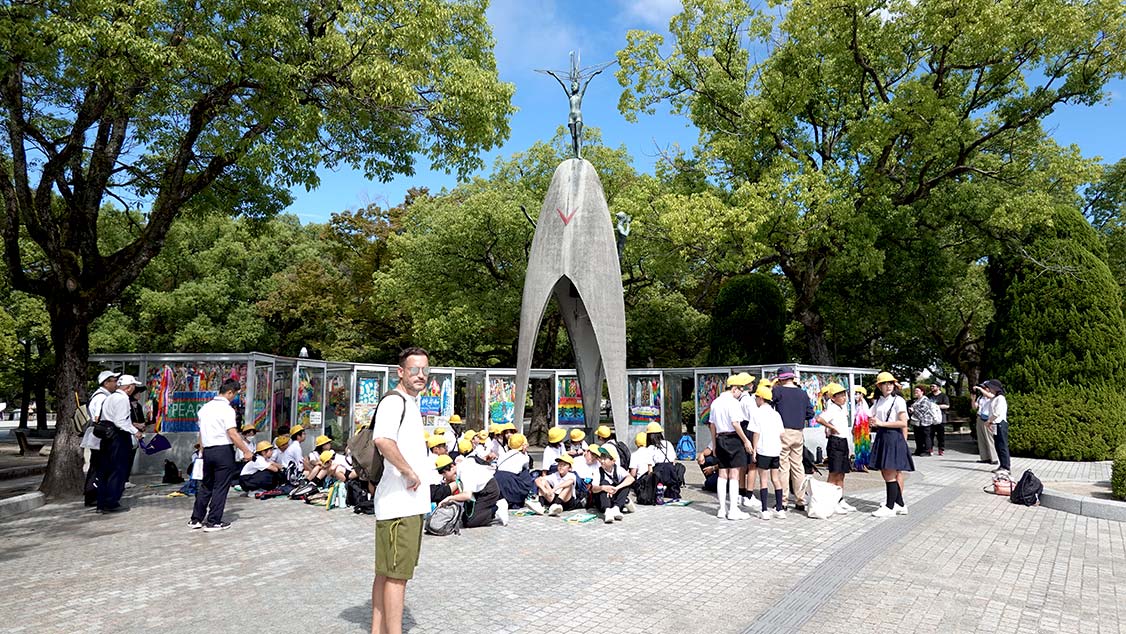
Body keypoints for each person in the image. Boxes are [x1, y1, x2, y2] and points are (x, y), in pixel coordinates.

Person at [371, 347, 433, 634]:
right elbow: (383, 440)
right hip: (400, 503)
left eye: (424, 370)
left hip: (403, 503)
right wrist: (408, 471)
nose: (420, 375)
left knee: (386, 572)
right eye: (414, 370)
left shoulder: (410, 402)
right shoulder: (395, 402)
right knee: (397, 576)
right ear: (400, 372)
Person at [189, 379, 254, 531]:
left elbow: (201, 433)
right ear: (230, 392)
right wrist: (246, 451)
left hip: (207, 450)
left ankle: (196, 519)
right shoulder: (227, 410)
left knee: (206, 485)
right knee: (221, 486)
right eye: (235, 394)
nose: (235, 397)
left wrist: (201, 450)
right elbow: (232, 433)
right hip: (223, 450)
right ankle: (213, 521)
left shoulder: (204, 408)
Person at [708, 374, 755, 520]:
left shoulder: (715, 402)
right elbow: (736, 423)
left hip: (720, 438)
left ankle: (722, 509)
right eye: (740, 389)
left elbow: (712, 425)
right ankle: (733, 510)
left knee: (722, 474)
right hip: (733, 439)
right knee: (734, 474)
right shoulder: (733, 403)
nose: (741, 392)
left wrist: (714, 444)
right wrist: (746, 440)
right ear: (734, 389)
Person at [95, 374, 145, 513]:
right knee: (118, 469)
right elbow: (121, 421)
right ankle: (111, 502)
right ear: (129, 387)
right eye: (134, 386)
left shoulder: (110, 397)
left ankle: (101, 502)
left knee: (105, 470)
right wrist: (135, 431)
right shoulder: (123, 399)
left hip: (106, 435)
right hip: (118, 436)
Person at [869, 372, 913, 518]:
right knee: (885, 471)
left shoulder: (898, 400)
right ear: (879, 386)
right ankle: (900, 504)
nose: (888, 386)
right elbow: (870, 416)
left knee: (890, 472)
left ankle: (890, 506)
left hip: (893, 436)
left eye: (890, 383)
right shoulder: (878, 401)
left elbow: (903, 423)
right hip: (882, 436)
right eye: (884, 384)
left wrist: (882, 423)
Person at [772, 366, 813, 510]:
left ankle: (783, 500)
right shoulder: (802, 393)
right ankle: (800, 500)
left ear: (780, 379)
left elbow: (769, 406)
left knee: (783, 466)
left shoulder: (778, 391)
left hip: (783, 431)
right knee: (797, 465)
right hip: (798, 432)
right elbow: (810, 413)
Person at [434, 452, 509, 528]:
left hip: (488, 490)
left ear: (452, 466)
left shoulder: (465, 472)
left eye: (444, 473)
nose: (444, 477)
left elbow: (467, 495)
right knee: (465, 518)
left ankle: (496, 510)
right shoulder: (461, 467)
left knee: (471, 522)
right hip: (478, 490)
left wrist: (449, 498)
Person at [815, 383, 855, 513]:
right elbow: (819, 419)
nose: (844, 397)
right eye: (840, 395)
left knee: (842, 472)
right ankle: (830, 501)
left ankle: (840, 499)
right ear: (833, 398)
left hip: (843, 441)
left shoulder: (842, 408)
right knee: (834, 473)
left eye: (844, 394)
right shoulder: (831, 408)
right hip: (835, 442)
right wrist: (831, 428)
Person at [82, 370, 118, 507]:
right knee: (99, 467)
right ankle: (93, 494)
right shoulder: (102, 397)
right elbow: (98, 418)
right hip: (100, 438)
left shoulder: (102, 395)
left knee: (97, 466)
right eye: (113, 381)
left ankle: (93, 494)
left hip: (98, 437)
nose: (116, 383)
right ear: (106, 382)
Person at [750, 385, 786, 519]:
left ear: (761, 398)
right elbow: (782, 434)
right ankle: (780, 508)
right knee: (776, 479)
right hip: (775, 450)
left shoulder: (757, 413)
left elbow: (756, 433)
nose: (755, 400)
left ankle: (764, 510)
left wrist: (754, 450)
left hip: (763, 450)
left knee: (763, 480)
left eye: (756, 397)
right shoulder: (776, 414)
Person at [589, 445, 635, 524]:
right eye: (601, 458)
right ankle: (608, 511)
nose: (602, 461)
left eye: (605, 459)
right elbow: (593, 489)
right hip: (602, 502)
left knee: (625, 484)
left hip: (613, 498)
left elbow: (631, 478)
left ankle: (616, 508)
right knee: (604, 483)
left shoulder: (618, 469)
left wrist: (616, 488)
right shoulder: (598, 471)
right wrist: (603, 488)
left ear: (613, 461)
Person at [980, 380, 1011, 474]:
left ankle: (1006, 467)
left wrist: (988, 421)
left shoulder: (1000, 398)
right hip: (995, 424)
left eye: (990, 387)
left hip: (1000, 423)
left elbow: (997, 413)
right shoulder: (994, 398)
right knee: (997, 445)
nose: (989, 389)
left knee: (1002, 445)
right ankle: (1002, 465)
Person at [908, 386, 939, 456]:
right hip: (917, 423)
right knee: (918, 437)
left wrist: (913, 410)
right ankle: (919, 450)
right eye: (915, 391)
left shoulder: (925, 400)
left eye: (917, 391)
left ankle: (927, 451)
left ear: (922, 392)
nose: (915, 392)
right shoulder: (916, 400)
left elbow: (922, 412)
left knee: (926, 437)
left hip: (925, 422)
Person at [972, 385, 998, 465]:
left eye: (984, 388)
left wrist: (979, 388)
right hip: (980, 417)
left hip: (988, 419)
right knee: (981, 438)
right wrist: (973, 399)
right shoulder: (980, 398)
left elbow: (989, 396)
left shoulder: (992, 397)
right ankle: (985, 457)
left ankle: (994, 458)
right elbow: (974, 407)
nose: (983, 390)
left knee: (989, 438)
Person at [852, 386, 872, 472]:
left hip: (863, 429)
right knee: (858, 446)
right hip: (858, 429)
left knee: (863, 446)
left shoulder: (864, 405)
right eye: (855, 393)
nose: (856, 395)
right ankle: (859, 464)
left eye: (858, 393)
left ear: (862, 395)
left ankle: (863, 464)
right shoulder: (857, 405)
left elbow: (868, 416)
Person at [928, 383, 950, 456]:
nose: (932, 388)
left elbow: (947, 405)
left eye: (933, 386)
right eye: (931, 386)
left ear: (938, 387)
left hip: (941, 417)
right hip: (931, 418)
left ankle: (941, 449)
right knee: (930, 434)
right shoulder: (929, 396)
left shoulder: (943, 396)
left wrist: (936, 406)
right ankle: (930, 448)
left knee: (940, 435)